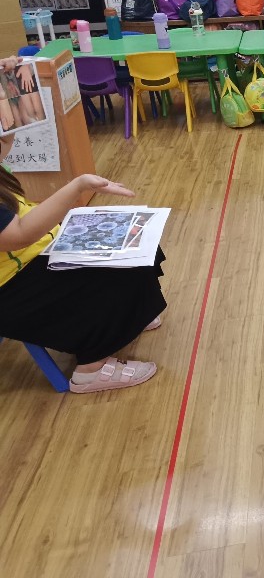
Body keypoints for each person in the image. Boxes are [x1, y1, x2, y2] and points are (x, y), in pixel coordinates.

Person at [0, 83, 165, 393]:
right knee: (116, 275)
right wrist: (77, 187)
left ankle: (129, 316)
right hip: (12, 288)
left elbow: (4, 142)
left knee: (138, 242)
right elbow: (19, 235)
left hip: (38, 253)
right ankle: (91, 369)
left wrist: (5, 85)